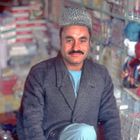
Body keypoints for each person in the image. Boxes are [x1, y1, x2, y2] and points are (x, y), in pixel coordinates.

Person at [16, 7, 122, 140]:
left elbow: (111, 119)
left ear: (90, 43)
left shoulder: (100, 75)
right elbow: (31, 124)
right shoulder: (40, 74)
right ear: (60, 41)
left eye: (82, 40)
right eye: (69, 40)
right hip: (51, 136)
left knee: (86, 132)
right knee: (85, 132)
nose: (76, 47)